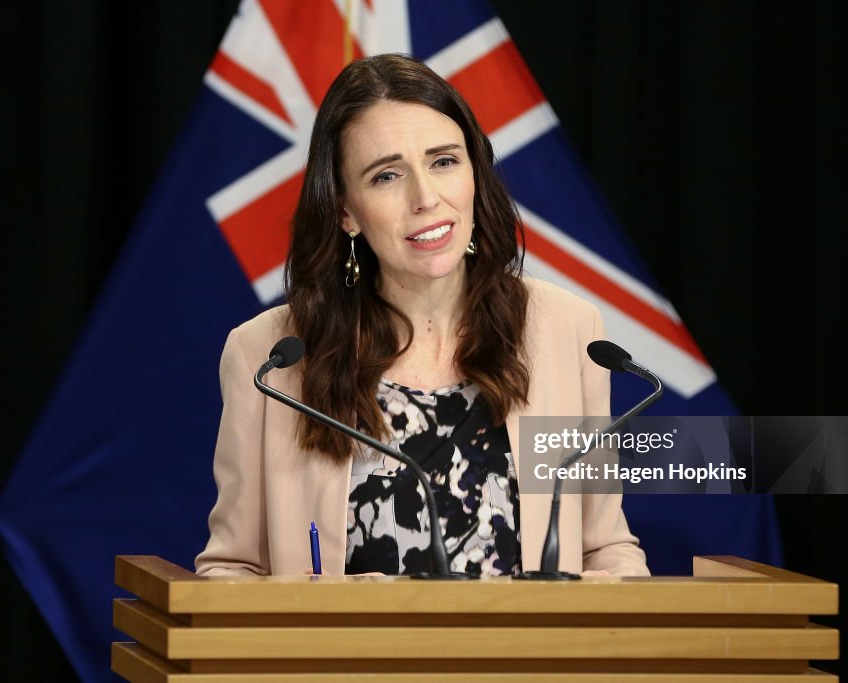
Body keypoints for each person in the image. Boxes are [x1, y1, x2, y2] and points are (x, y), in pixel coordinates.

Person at [195, 53, 648, 578]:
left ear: (475, 173)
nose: (425, 198)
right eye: (386, 176)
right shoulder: (270, 359)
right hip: (346, 660)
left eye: (444, 161)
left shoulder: (568, 332)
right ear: (346, 211)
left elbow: (604, 549)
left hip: (530, 660)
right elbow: (232, 569)